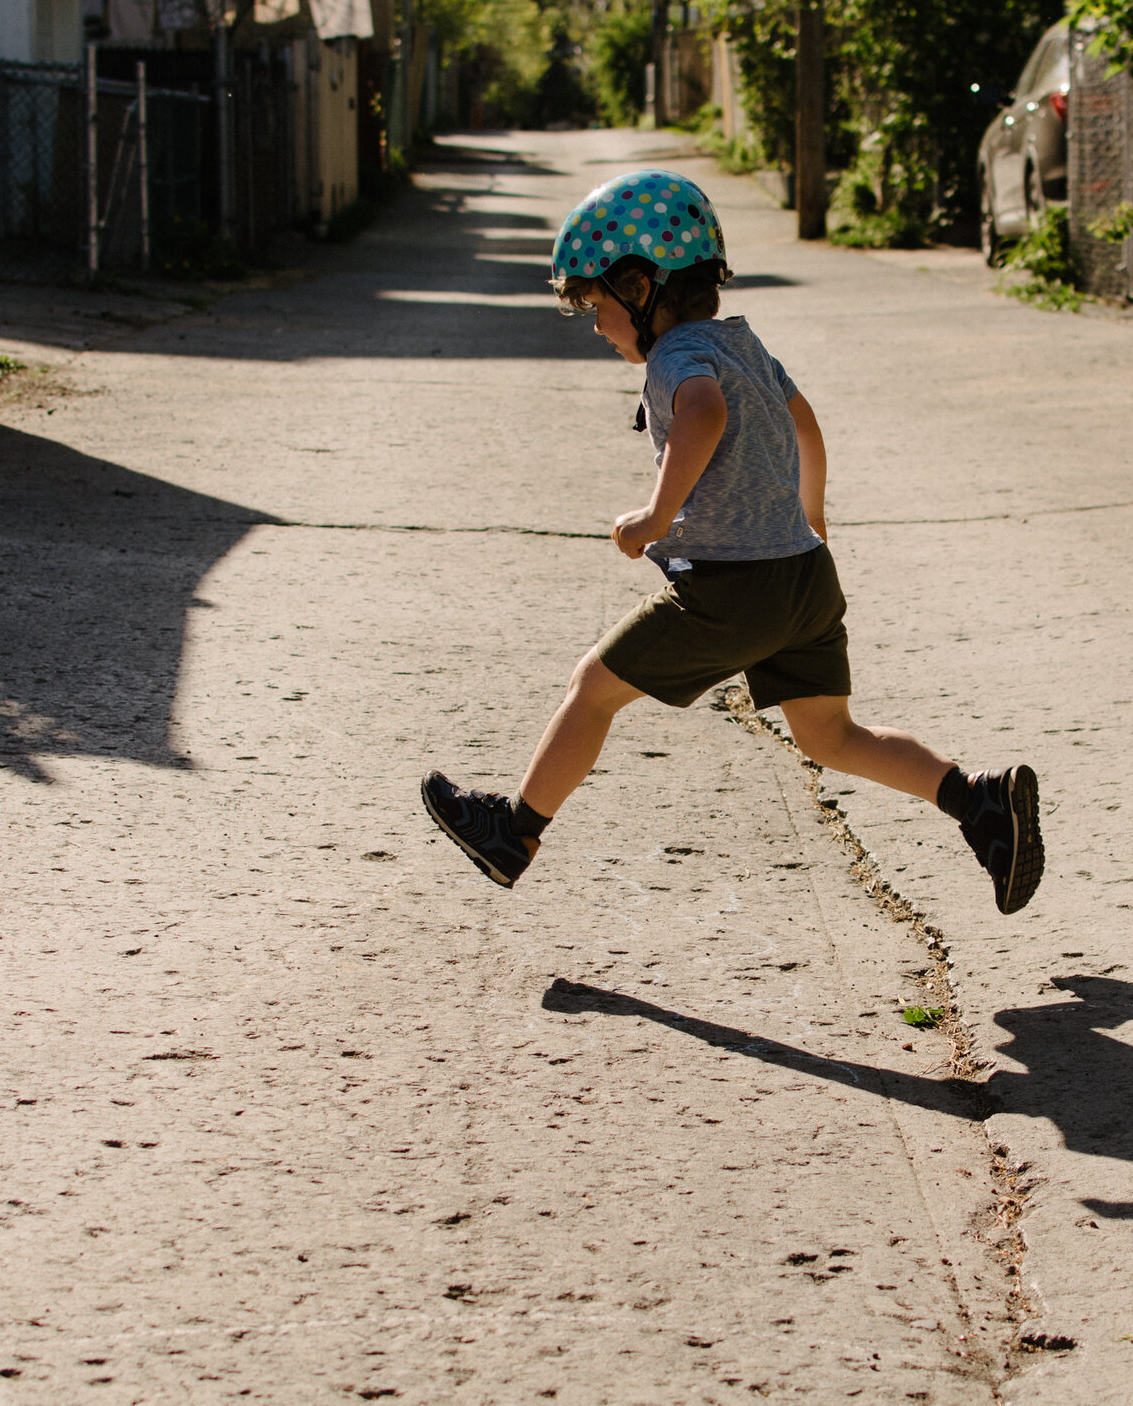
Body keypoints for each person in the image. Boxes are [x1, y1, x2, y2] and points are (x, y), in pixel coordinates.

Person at [419, 169, 1043, 913]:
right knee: (832, 734)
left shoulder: (677, 357)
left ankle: (512, 835)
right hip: (806, 576)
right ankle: (978, 800)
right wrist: (810, 514)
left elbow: (705, 413)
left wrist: (655, 517)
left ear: (640, 287)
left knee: (592, 689)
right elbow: (804, 420)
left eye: (596, 302)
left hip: (733, 589)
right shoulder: (743, 342)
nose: (595, 324)